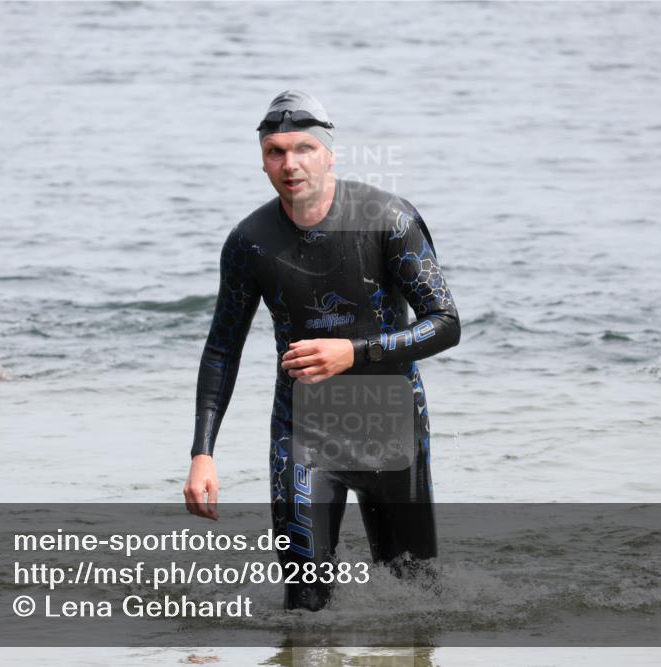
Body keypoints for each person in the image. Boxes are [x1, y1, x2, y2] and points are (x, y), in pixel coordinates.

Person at [183, 90, 460, 610]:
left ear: (329, 153)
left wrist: (353, 353)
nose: (290, 164)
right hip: (302, 433)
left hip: (391, 428)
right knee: (305, 605)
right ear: (262, 159)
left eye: (304, 148)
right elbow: (222, 349)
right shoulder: (250, 242)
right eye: (276, 152)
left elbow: (446, 324)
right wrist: (203, 453)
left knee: (417, 601)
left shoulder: (388, 220)